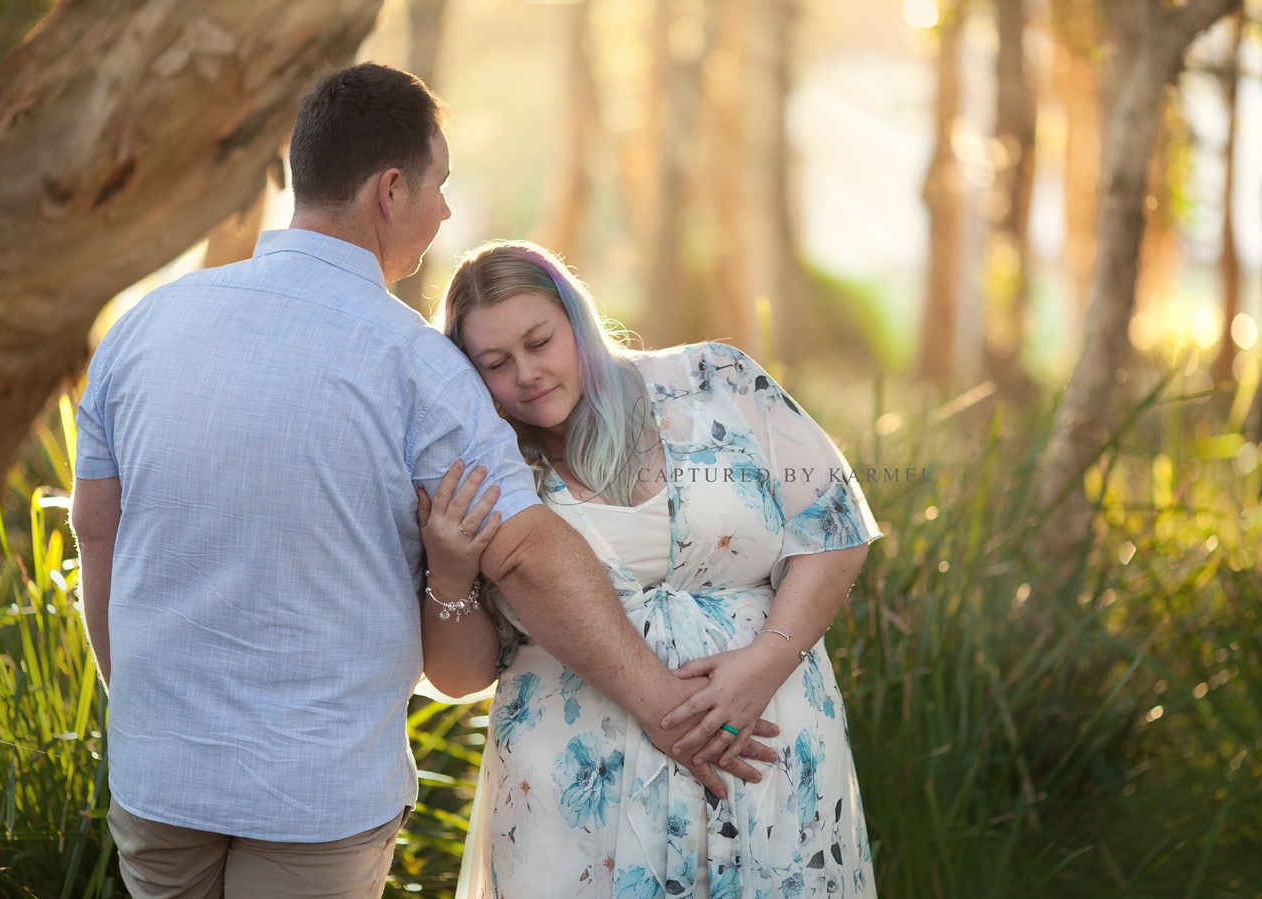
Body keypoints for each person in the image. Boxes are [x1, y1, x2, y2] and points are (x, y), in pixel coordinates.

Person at [69, 64, 772, 899]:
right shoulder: (416, 367)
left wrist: (141, 706)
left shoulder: (145, 327)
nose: (444, 211)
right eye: (439, 186)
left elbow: (97, 529)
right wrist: (664, 705)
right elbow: (526, 555)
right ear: (391, 191)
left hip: (160, 781)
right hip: (314, 798)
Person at [433, 240, 881, 898]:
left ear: (578, 323)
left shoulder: (714, 378)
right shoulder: (486, 468)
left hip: (765, 753)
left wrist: (766, 660)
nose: (526, 373)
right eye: (496, 363)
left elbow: (835, 524)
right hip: (574, 803)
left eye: (540, 341)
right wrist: (446, 570)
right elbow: (463, 674)